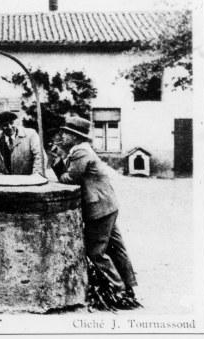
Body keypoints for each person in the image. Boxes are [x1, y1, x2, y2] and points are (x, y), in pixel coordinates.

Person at [56, 116, 140, 308]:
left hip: (99, 209)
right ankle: (128, 287)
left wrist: (59, 162)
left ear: (75, 137)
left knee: (95, 252)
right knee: (116, 248)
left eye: (67, 133)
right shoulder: (82, 149)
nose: (63, 136)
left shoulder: (80, 151)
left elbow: (70, 178)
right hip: (107, 205)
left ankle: (118, 290)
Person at [0, 111, 43, 176]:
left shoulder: (30, 135)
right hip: (3, 180)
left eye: (11, 123)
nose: (9, 127)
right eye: (5, 125)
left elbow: (40, 156)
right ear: (0, 126)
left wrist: (36, 174)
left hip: (27, 180)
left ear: (16, 122)